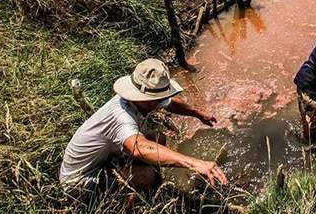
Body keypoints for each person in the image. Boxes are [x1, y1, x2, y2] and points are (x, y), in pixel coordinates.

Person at [59, 58, 227, 194]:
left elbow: (171, 104)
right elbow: (140, 148)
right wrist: (193, 162)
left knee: (158, 138)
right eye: (156, 100)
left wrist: (198, 114)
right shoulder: (121, 115)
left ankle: (147, 188)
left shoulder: (144, 100)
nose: (160, 102)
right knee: (145, 176)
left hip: (105, 160)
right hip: (80, 180)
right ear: (142, 97)